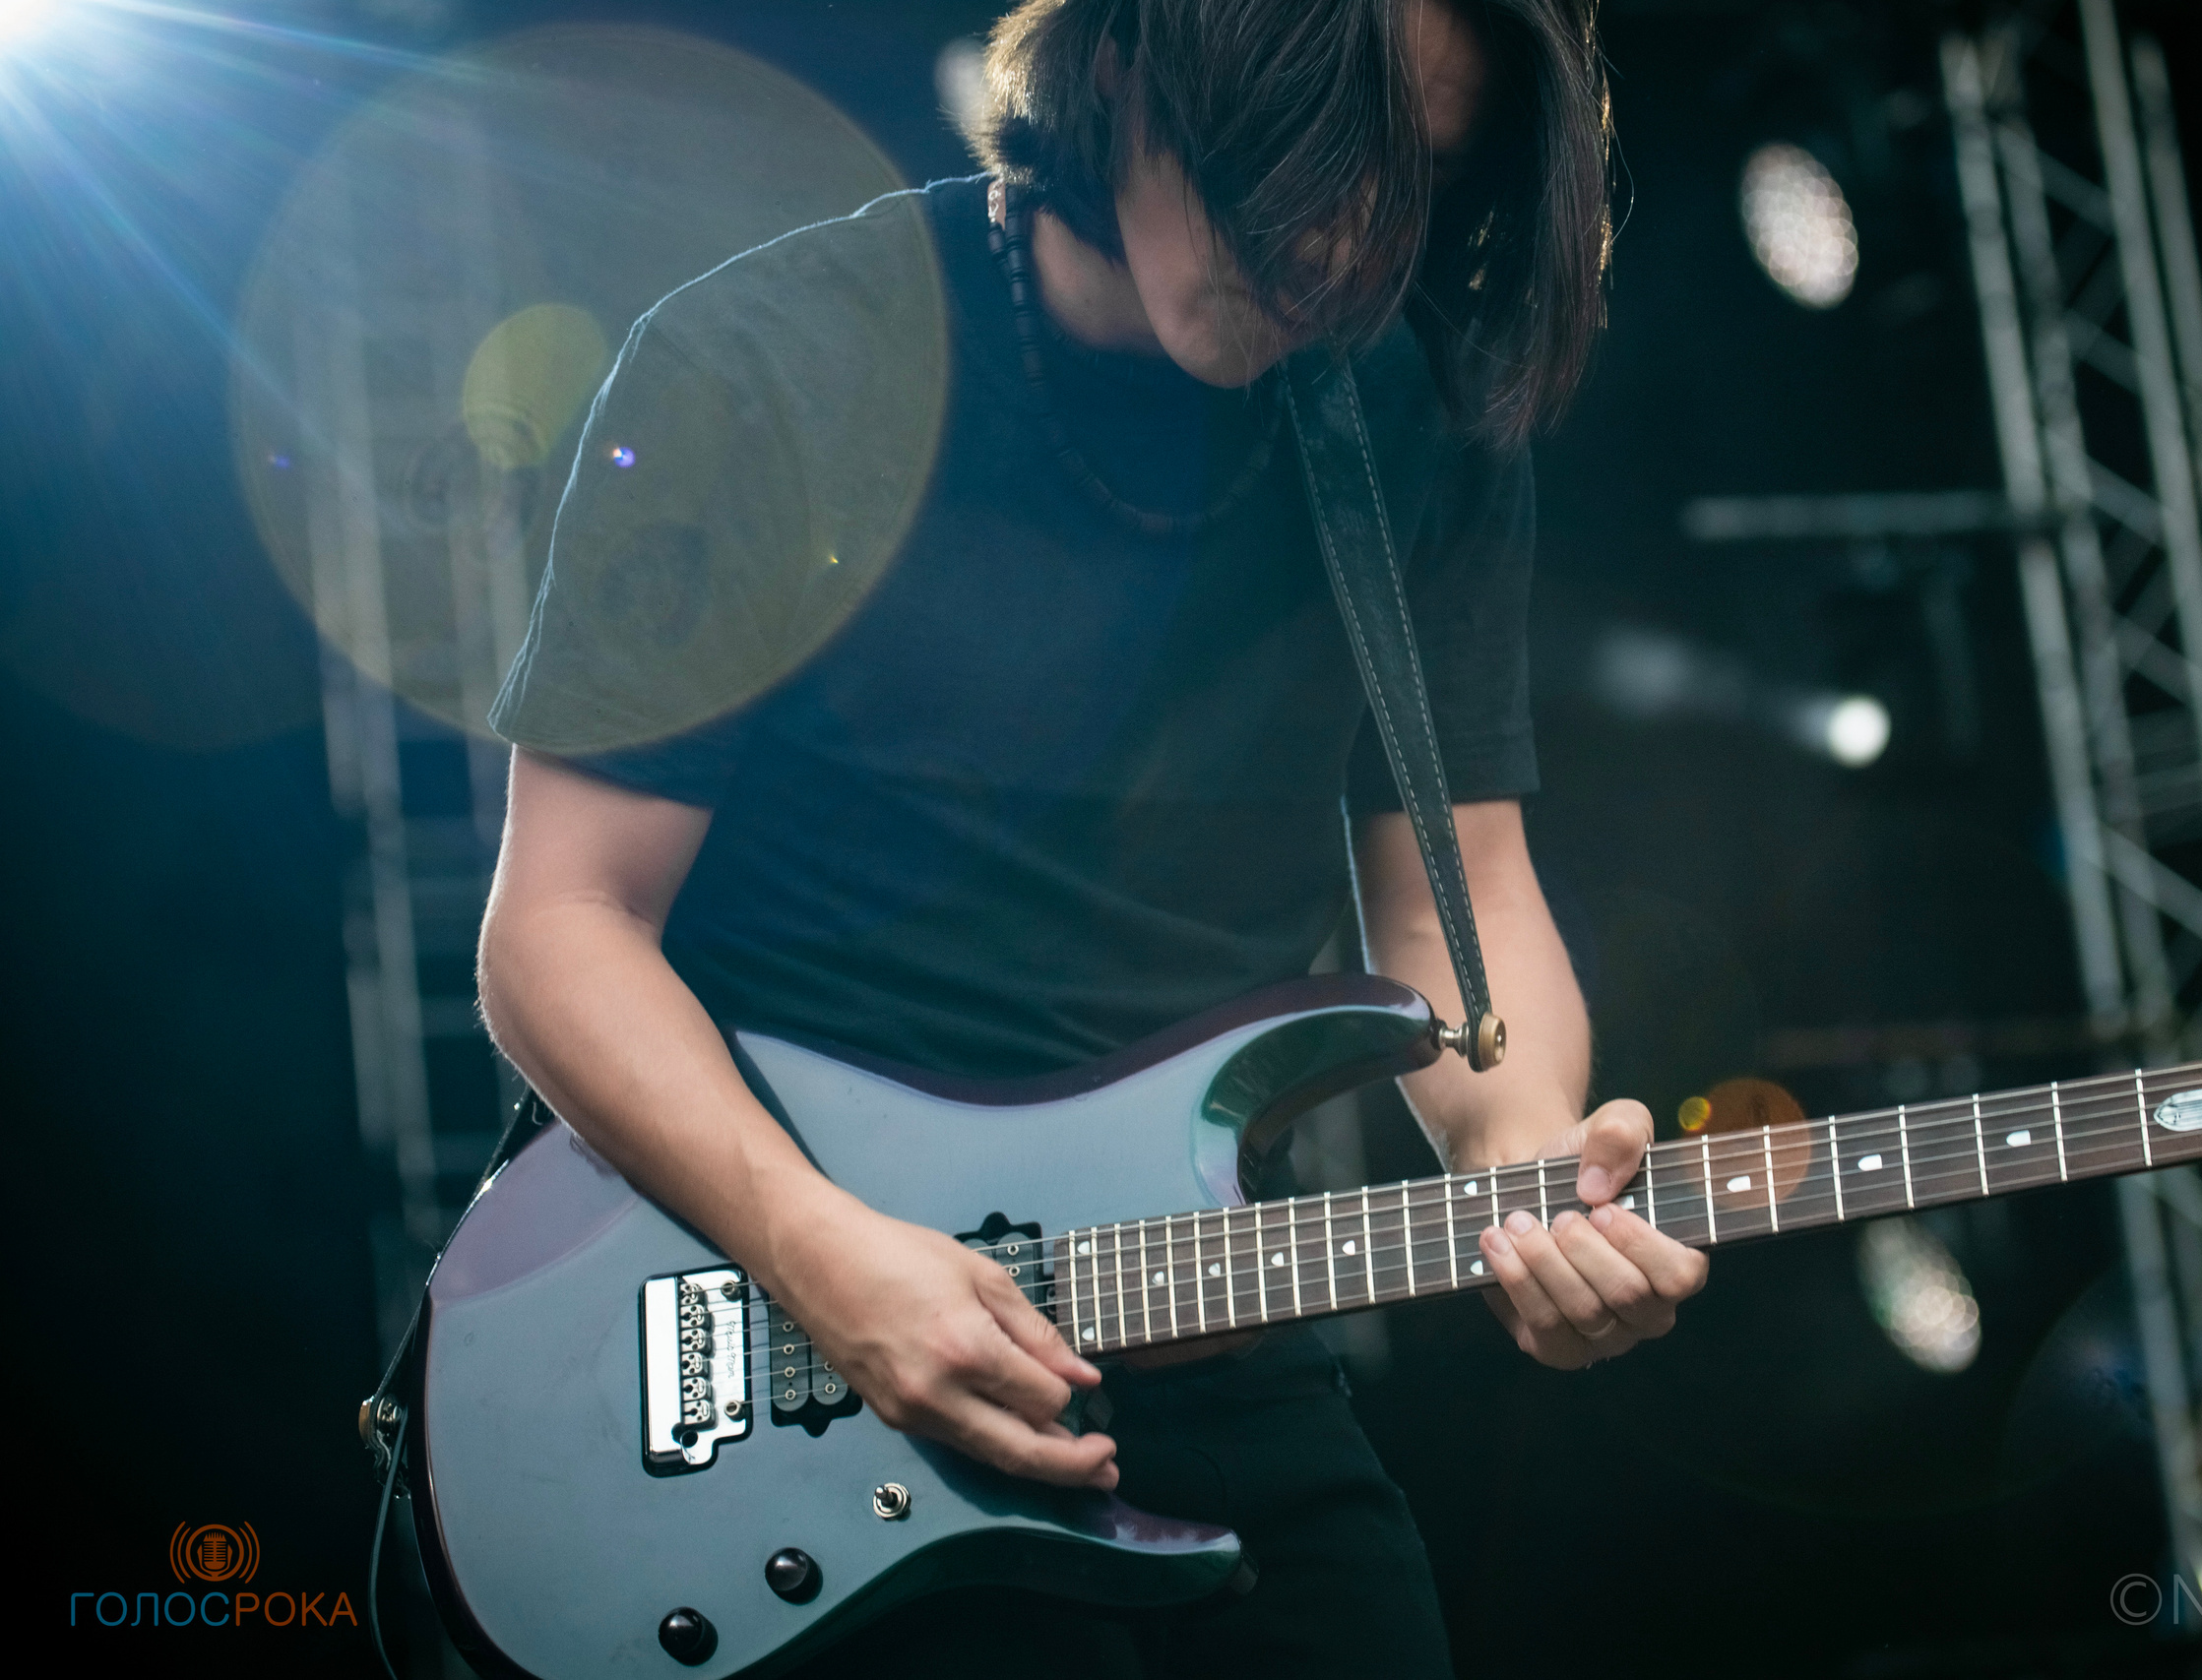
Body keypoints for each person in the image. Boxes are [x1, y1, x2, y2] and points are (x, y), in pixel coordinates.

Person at [475, 1, 1707, 1671]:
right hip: (792, 1341)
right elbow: (558, 930)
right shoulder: (773, 357)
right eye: (1308, 154)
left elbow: (1461, 897)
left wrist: (1522, 1168)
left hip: (1196, 1321)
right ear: (1128, 66)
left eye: (1407, 175)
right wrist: (823, 1253)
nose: (1344, 240)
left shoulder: (1412, 417)